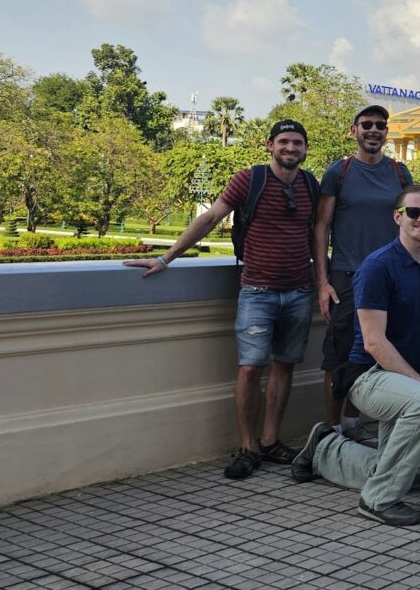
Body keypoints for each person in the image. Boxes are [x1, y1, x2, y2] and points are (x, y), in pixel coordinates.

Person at [124, 120, 317, 480]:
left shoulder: (309, 184)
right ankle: (248, 446)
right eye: (284, 142)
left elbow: (318, 233)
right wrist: (166, 257)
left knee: (285, 365)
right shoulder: (249, 179)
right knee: (249, 368)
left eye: (297, 143)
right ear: (269, 145)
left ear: (305, 149)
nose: (291, 148)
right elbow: (212, 217)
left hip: (299, 290)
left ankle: (271, 439)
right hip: (257, 290)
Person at [291, 186, 420, 526]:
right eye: (413, 212)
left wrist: (419, 381)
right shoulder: (378, 266)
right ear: (397, 217)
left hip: (403, 379)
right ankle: (377, 501)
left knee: (396, 469)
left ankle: (324, 447)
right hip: (369, 374)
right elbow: (375, 343)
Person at [312, 105, 412, 440]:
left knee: (374, 351)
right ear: (354, 131)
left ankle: (353, 425)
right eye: (366, 125)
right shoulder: (338, 172)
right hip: (347, 274)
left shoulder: (399, 173)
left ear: (387, 132)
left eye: (380, 125)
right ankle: (331, 429)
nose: (373, 130)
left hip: (387, 276)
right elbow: (321, 227)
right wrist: (323, 282)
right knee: (338, 353)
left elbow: (411, 223)